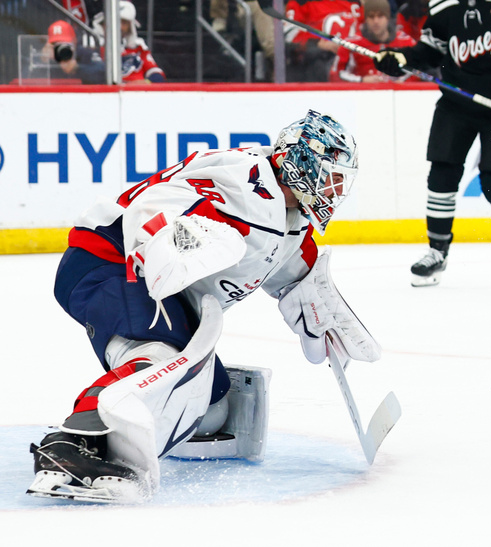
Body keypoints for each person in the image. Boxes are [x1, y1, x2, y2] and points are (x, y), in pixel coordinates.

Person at [28, 110, 381, 503]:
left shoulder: (289, 216)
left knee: (210, 407)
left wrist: (314, 296)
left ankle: (137, 422)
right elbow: (154, 204)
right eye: (329, 176)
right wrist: (165, 246)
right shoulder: (243, 180)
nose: (333, 190)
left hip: (148, 282)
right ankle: (72, 442)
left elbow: (294, 268)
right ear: (302, 161)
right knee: (162, 359)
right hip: (112, 259)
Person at [373, 0, 491, 286]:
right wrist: (399, 59)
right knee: (441, 177)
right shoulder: (444, 5)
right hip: (455, 104)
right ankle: (437, 251)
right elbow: (428, 52)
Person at [329, 0, 417, 83]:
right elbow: (336, 75)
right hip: (362, 94)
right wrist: (361, 80)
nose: (376, 21)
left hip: (401, 95)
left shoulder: (406, 42)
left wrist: (403, 81)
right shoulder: (351, 44)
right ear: (365, 19)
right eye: (371, 16)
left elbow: (420, 70)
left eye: (380, 16)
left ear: (388, 18)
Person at [91, 0, 166, 84]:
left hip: (138, 93)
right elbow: (90, 76)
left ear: (130, 26)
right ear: (103, 23)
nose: (119, 27)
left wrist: (145, 82)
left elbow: (157, 74)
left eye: (124, 22)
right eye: (115, 21)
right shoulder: (92, 45)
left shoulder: (138, 46)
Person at [45, 20, 105, 85]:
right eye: (55, 44)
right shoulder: (49, 57)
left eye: (65, 43)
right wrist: (42, 59)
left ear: (74, 41)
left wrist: (77, 68)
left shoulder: (85, 53)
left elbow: (103, 71)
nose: (61, 48)